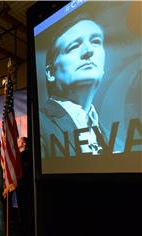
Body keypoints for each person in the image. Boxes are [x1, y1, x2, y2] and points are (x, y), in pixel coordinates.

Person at [40, 16, 119, 157]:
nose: (89, 50)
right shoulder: (40, 124)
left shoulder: (110, 135)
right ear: (51, 72)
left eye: (96, 41)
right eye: (74, 46)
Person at [17, 137, 34, 236]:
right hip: (20, 184)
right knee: (21, 208)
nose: (17, 142)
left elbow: (26, 167)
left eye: (19, 141)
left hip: (26, 185)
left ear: (24, 144)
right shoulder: (19, 154)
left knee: (26, 208)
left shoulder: (27, 154)